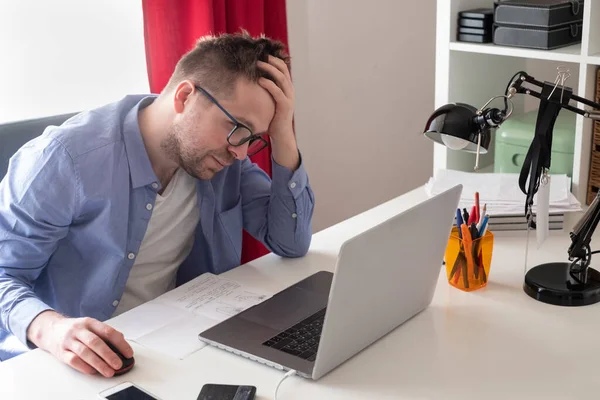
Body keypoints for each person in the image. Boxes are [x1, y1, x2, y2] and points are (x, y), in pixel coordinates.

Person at [0, 32, 314, 377]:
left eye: (254, 139)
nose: (240, 151)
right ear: (185, 97)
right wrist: (52, 329)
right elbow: (4, 274)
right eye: (238, 128)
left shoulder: (227, 160)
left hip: (176, 347)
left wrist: (283, 130)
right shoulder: (64, 160)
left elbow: (290, 241)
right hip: (72, 363)